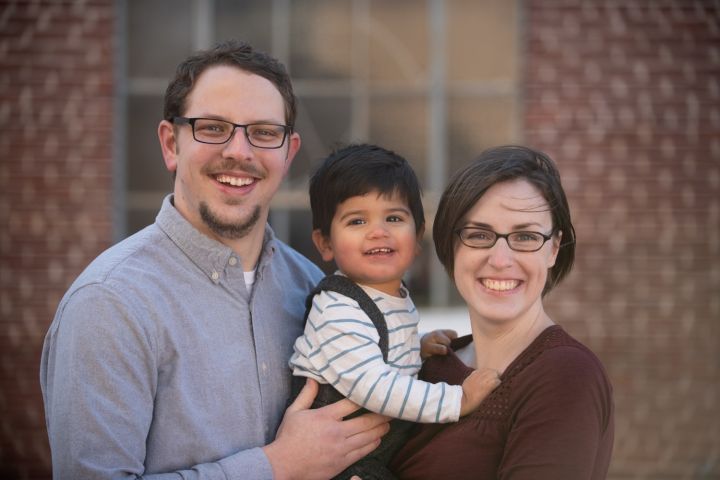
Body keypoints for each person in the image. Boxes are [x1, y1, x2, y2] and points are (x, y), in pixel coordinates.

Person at [39, 40, 389, 480]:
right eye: (213, 127)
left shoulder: (310, 288)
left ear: (288, 152)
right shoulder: (109, 304)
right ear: (171, 144)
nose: (239, 152)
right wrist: (278, 466)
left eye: (264, 133)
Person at [389, 145, 615, 479]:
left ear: (554, 249)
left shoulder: (565, 376)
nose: (500, 259)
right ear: (451, 246)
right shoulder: (424, 366)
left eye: (525, 236)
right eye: (479, 235)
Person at [289, 144, 501, 479]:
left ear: (417, 236)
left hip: (367, 452)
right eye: (357, 220)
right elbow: (375, 386)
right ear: (325, 243)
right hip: (334, 463)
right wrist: (457, 400)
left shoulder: (390, 296)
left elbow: (375, 346)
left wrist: (416, 345)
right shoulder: (337, 309)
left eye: (394, 218)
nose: (378, 231)